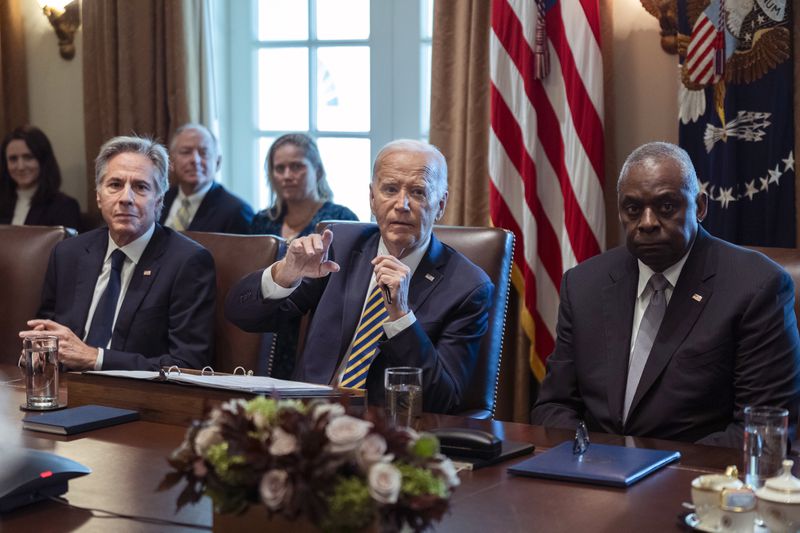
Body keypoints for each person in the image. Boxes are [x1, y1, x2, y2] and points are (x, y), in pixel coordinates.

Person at [531, 141, 800, 448]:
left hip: (695, 483)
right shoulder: (583, 285)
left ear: (700, 206)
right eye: (633, 209)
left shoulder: (756, 287)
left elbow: (760, 432)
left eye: (666, 207)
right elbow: (554, 406)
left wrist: (651, 470)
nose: (647, 223)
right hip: (596, 479)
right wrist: (589, 459)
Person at [226, 139, 493, 413]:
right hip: (304, 419)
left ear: (440, 204)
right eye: (390, 189)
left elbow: (442, 399)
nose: (401, 204)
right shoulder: (340, 246)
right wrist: (284, 274)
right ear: (372, 198)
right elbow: (241, 314)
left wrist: (401, 317)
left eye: (418, 192)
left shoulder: (468, 287)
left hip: (387, 431)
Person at [19, 135, 216, 371]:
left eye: (141, 187)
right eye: (115, 185)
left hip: (137, 400)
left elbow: (188, 364)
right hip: (66, 392)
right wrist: (40, 353)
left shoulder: (187, 262)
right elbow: (47, 333)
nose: (126, 198)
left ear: (158, 201)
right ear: (99, 196)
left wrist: (95, 358)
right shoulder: (68, 254)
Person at [250, 132, 358, 378]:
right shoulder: (261, 221)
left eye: (296, 166)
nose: (287, 175)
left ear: (317, 170)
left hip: (314, 327)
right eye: (280, 168)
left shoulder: (340, 220)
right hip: (264, 328)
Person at [160, 123, 254, 234]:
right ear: (172, 161)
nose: (195, 160)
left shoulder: (237, 211)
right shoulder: (160, 200)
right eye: (186, 152)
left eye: (204, 153)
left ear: (218, 162)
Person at [0, 125, 80, 230]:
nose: (20, 166)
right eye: (13, 159)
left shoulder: (64, 206)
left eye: (28, 157)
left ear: (43, 161)